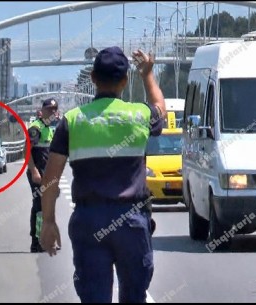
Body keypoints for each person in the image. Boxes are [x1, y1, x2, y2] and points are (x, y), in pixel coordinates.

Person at [39, 46, 166, 303]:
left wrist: (49, 222)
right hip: (131, 222)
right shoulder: (139, 115)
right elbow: (160, 108)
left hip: (89, 221)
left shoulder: (72, 121)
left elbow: (51, 177)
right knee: (134, 296)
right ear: (124, 81)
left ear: (93, 79)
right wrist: (148, 74)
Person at [27, 98, 59, 253]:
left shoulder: (49, 128)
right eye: (49, 109)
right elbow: (27, 151)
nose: (52, 112)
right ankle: (36, 241)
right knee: (39, 205)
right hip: (38, 173)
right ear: (43, 111)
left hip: (47, 174)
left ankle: (46, 239)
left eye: (55, 109)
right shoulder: (36, 128)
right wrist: (34, 171)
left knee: (47, 205)